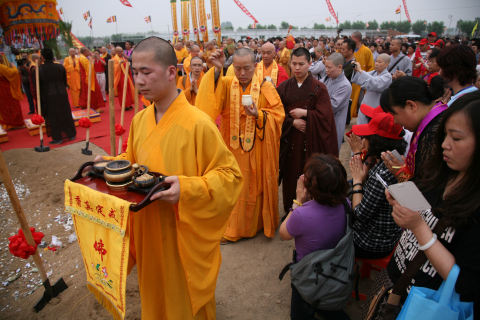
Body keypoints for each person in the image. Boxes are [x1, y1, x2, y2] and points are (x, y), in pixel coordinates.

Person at [90, 37, 243, 319]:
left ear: (172, 72)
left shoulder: (199, 124)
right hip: (147, 228)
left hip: (181, 233)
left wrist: (187, 187)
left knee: (183, 299)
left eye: (146, 72)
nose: (138, 80)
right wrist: (108, 165)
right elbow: (133, 163)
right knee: (155, 295)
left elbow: (231, 177)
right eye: (135, 72)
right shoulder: (140, 120)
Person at [376, 91, 480, 318]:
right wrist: (402, 198)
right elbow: (424, 208)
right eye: (445, 136)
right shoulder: (443, 173)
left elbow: (466, 284)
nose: (445, 145)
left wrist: (419, 228)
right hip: (397, 283)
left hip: (425, 304)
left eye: (457, 138)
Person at [196, 48, 285, 243]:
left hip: (258, 148)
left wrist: (258, 115)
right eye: (237, 69)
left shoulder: (265, 87)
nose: (242, 74)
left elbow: (278, 116)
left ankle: (257, 224)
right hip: (231, 149)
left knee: (255, 187)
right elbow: (210, 102)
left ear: (255, 66)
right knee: (234, 188)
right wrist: (218, 70)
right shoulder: (227, 84)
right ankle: (233, 228)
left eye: (246, 68)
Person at [279, 154, 351, 320]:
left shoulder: (302, 215)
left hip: (308, 273)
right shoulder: (345, 203)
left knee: (299, 315)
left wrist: (298, 201)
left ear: (309, 186)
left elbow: (284, 234)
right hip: (336, 268)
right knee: (329, 308)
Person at [277, 48, 338, 214]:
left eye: (301, 64)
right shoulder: (283, 87)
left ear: (310, 64)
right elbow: (275, 113)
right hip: (290, 142)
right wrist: (291, 122)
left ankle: (312, 212)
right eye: (294, 64)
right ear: (289, 64)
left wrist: (306, 114)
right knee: (291, 177)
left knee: (311, 175)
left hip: (311, 142)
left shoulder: (319, 88)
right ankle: (291, 211)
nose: (297, 68)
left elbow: (326, 117)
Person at [348, 110, 406, 259]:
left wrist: (357, 180)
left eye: (366, 137)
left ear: (376, 141)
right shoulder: (395, 160)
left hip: (371, 243)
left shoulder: (382, 173)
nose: (363, 140)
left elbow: (360, 214)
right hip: (389, 235)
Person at [380, 76, 446, 182]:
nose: (395, 121)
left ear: (411, 106)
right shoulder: (440, 118)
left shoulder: (433, 135)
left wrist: (402, 176)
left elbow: (428, 189)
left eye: (394, 114)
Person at [34, 48, 76, 144]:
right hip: (62, 93)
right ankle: (71, 134)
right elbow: (64, 81)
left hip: (49, 96)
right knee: (65, 113)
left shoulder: (39, 69)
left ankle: (58, 138)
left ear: (42, 57)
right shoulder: (60, 67)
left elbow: (37, 86)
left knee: (53, 116)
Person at [321, 53, 352, 152]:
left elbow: (332, 106)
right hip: (321, 122)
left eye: (329, 67)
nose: (326, 70)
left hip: (333, 125)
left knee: (330, 154)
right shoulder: (327, 78)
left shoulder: (345, 85)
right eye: (325, 66)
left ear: (339, 67)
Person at [351, 53, 392, 125]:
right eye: (376, 61)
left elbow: (375, 83)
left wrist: (361, 71)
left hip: (376, 106)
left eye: (379, 62)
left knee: (372, 127)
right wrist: (356, 70)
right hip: (366, 103)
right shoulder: (373, 73)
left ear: (386, 65)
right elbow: (359, 79)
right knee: (362, 126)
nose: (376, 64)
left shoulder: (387, 76)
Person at [350, 32, 375, 117]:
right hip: (351, 80)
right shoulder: (350, 50)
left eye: (352, 37)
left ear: (357, 39)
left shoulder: (367, 51)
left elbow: (371, 67)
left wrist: (363, 77)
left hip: (361, 81)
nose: (350, 39)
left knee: (360, 102)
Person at [0, 55, 24, 129]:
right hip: (5, 89)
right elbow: (14, 73)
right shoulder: (1, 66)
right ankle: (15, 124)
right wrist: (13, 66)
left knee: (3, 107)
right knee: (12, 105)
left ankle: (7, 124)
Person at [78, 47, 105, 112]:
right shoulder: (83, 58)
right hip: (88, 78)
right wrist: (92, 60)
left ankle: (92, 107)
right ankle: (92, 107)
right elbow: (89, 68)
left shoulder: (83, 57)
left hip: (89, 77)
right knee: (92, 92)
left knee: (92, 92)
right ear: (84, 52)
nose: (89, 52)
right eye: (88, 51)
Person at [113, 46, 135, 111]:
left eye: (122, 51)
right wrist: (119, 64)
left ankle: (129, 104)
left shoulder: (122, 58)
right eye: (121, 51)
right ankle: (125, 106)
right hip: (120, 78)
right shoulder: (114, 59)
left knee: (128, 90)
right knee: (123, 92)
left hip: (126, 76)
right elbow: (113, 69)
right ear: (117, 52)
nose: (122, 53)